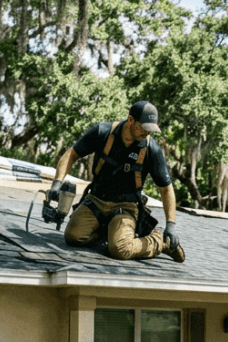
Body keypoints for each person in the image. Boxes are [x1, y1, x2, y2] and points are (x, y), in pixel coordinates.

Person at [54, 100, 186, 263]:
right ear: (131, 120)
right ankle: (112, 234)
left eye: (150, 129)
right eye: (143, 127)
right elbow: (71, 154)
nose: (147, 133)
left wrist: (170, 224)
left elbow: (166, 189)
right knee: (73, 237)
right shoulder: (103, 132)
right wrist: (57, 183)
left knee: (120, 250)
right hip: (96, 199)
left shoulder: (151, 149)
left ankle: (160, 241)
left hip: (125, 206)